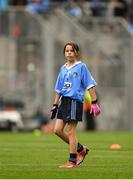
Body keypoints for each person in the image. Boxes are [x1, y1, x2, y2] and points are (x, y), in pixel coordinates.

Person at [50, 42, 101, 168]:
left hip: (75, 101)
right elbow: (58, 89)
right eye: (66, 51)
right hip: (64, 102)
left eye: (71, 51)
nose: (69, 53)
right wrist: (55, 105)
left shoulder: (81, 67)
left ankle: (72, 161)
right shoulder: (63, 68)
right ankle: (81, 148)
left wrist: (94, 102)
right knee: (57, 130)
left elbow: (90, 85)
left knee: (71, 131)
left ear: (76, 53)